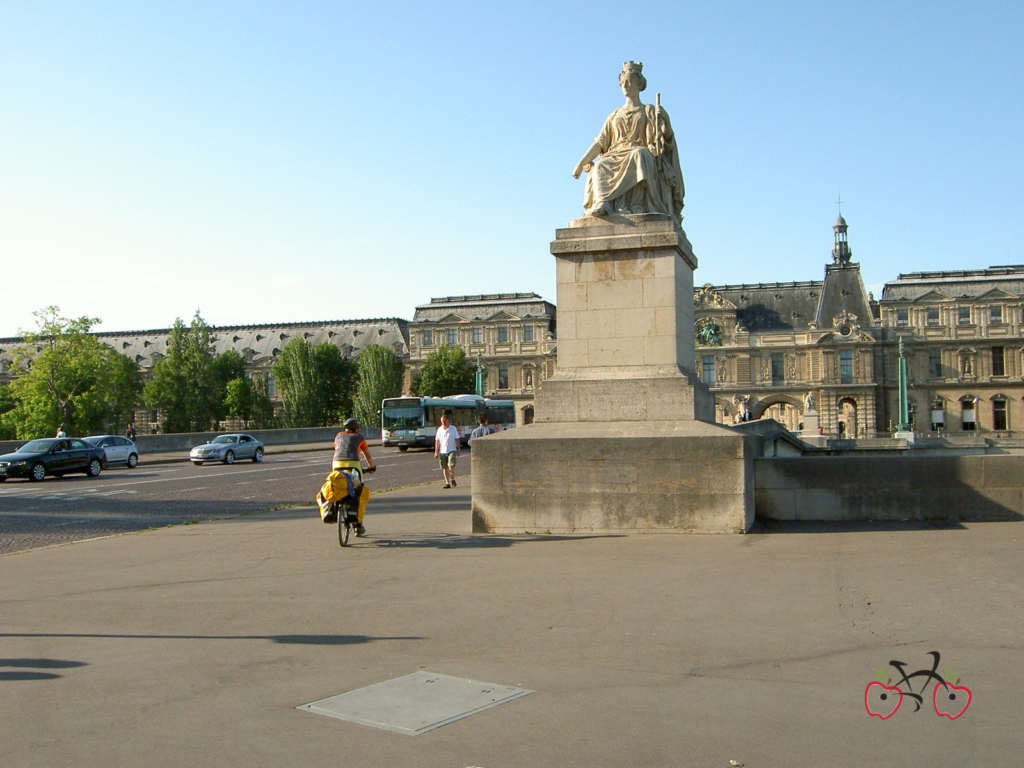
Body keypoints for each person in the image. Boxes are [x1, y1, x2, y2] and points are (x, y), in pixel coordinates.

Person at [572, 61, 684, 221]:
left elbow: (665, 139)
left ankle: (637, 205)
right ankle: (604, 203)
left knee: (640, 155)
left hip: (639, 151)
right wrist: (580, 163)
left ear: (639, 84)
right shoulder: (614, 115)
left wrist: (664, 119)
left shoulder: (648, 111)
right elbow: (600, 142)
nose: (626, 85)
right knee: (601, 165)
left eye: (630, 81)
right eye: (623, 82)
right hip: (615, 154)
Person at [331, 418, 377, 536]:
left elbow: (338, 449)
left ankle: (336, 507)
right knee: (358, 491)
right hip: (353, 466)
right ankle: (358, 525)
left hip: (336, 465)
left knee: (338, 485)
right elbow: (367, 455)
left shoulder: (338, 436)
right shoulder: (359, 437)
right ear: (356, 428)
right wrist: (371, 467)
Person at [434, 410, 461, 489]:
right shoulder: (439, 429)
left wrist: (458, 449)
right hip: (442, 451)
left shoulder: (453, 428)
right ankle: (447, 482)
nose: (443, 423)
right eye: (442, 422)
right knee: (444, 467)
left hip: (452, 450)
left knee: (451, 465)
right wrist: (436, 451)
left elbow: (457, 439)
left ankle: (452, 478)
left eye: (444, 421)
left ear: (448, 420)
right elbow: (437, 441)